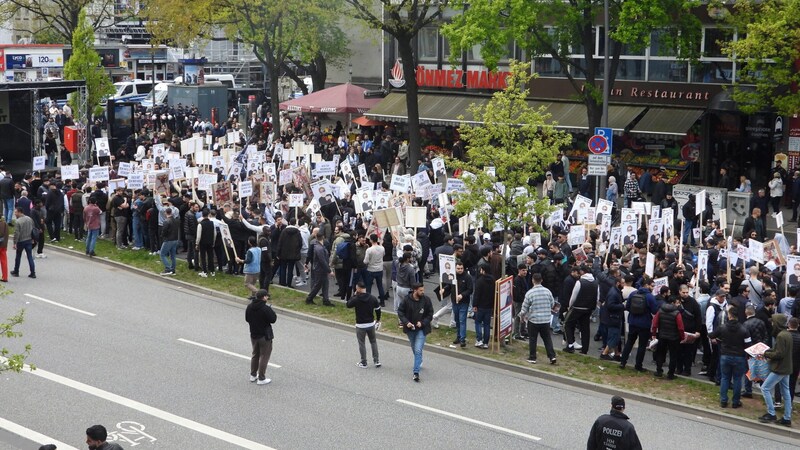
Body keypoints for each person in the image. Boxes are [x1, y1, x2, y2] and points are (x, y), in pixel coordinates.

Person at [759, 313, 793, 426]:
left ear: (777, 323)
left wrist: (765, 353)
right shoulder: (787, 334)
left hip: (779, 368)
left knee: (765, 388)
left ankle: (771, 413)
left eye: (773, 322)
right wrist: (768, 352)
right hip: (787, 367)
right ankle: (787, 418)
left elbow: (779, 354)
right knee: (786, 392)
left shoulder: (780, 336)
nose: (772, 324)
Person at [396, 282, 434, 382]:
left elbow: (430, 314)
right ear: (415, 290)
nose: (423, 292)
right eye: (420, 290)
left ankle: (416, 372)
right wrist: (406, 322)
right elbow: (400, 312)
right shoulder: (406, 300)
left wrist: (422, 323)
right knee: (414, 347)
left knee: (417, 350)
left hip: (422, 329)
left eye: (423, 290)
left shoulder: (426, 300)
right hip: (410, 329)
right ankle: (419, 360)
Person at [519, 272, 557, 364]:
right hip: (546, 320)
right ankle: (552, 356)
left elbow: (524, 308)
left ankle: (532, 357)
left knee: (533, 339)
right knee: (547, 338)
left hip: (534, 320)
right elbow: (552, 304)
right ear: (541, 280)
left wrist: (521, 316)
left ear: (533, 280)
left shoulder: (530, 293)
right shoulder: (547, 291)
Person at [245, 289, 277, 385]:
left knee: (255, 354)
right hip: (264, 336)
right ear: (263, 297)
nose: (267, 298)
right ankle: (261, 378)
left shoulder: (250, 306)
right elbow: (273, 319)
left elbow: (247, 319)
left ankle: (253, 374)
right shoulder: (265, 308)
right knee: (264, 356)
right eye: (267, 296)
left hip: (254, 334)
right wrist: (271, 310)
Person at [347, 281, 381, 368]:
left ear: (358, 288)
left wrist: (354, 295)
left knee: (362, 343)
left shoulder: (356, 299)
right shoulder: (372, 298)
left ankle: (364, 362)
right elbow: (378, 309)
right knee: (373, 342)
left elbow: (348, 304)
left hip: (360, 325)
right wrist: (378, 319)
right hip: (370, 324)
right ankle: (376, 360)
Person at [651, 295, 685, 379]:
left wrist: (654, 334)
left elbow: (654, 323)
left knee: (660, 353)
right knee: (673, 355)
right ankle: (670, 374)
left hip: (662, 335)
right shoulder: (677, 313)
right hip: (674, 337)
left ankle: (659, 371)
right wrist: (682, 337)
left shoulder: (660, 310)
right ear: (673, 303)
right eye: (677, 303)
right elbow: (680, 327)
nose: (678, 305)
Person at [305, 232, 334, 306]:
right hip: (320, 269)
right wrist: (329, 270)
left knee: (325, 284)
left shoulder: (318, 246)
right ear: (323, 237)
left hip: (320, 269)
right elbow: (322, 261)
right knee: (318, 285)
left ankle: (325, 300)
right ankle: (309, 298)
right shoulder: (319, 248)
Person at [10, 207, 35, 279]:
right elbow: (33, 229)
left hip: (21, 241)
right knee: (29, 256)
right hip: (29, 240)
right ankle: (32, 272)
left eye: (16, 212)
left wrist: (15, 242)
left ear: (20, 212)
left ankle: (16, 271)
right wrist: (32, 239)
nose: (15, 214)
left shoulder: (18, 222)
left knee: (18, 256)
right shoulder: (29, 219)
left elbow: (16, 233)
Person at [158, 207, 179, 275]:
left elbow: (164, 231)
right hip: (175, 239)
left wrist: (162, 236)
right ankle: (173, 269)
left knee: (162, 254)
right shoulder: (176, 220)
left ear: (165, 213)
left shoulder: (166, 221)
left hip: (168, 240)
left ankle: (168, 268)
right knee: (173, 256)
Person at [0, 216, 8, 282]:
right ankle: (5, 277)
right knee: (4, 261)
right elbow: (6, 235)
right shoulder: (4, 224)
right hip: (3, 245)